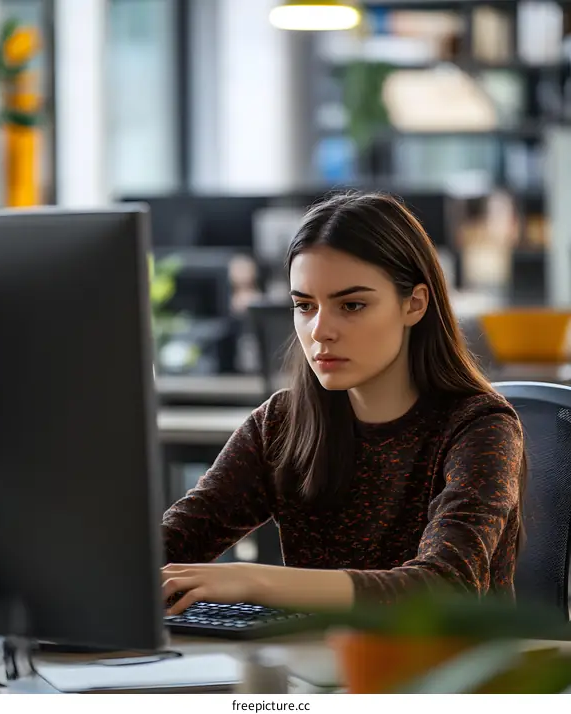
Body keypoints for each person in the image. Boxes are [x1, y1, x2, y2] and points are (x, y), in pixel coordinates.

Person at [161, 192, 525, 616]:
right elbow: (172, 544)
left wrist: (253, 580)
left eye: (351, 305)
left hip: (447, 672)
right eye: (304, 306)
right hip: (317, 669)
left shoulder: (481, 426)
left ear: (415, 303)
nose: (320, 331)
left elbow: (446, 585)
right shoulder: (281, 424)